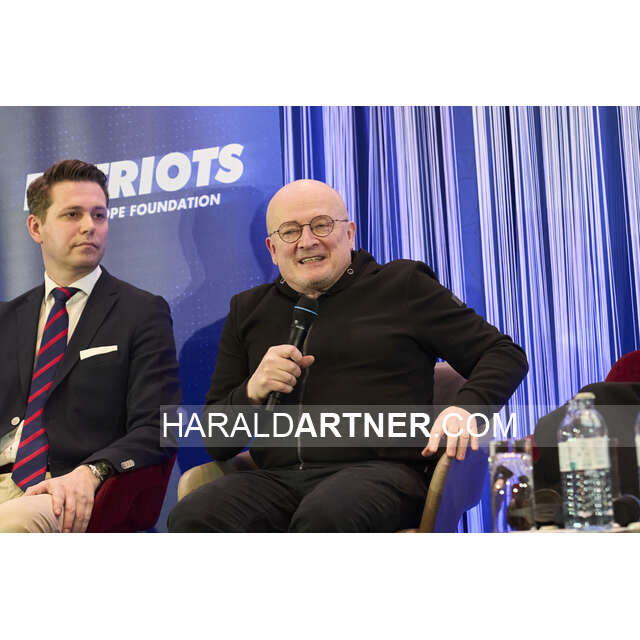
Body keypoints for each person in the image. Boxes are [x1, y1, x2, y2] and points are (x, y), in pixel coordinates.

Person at [168, 179, 528, 532]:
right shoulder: (248, 310)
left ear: (350, 233)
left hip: (382, 475)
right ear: (273, 249)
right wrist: (252, 391)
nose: (308, 241)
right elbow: (217, 442)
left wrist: (466, 408)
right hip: (278, 480)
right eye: (290, 231)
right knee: (194, 515)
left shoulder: (403, 286)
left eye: (321, 225)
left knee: (326, 514)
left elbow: (502, 354)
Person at [0, 159, 181, 533]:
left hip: (66, 487)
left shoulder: (141, 312)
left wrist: (93, 471)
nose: (89, 226)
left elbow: (159, 426)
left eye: (99, 215)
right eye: (73, 214)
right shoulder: (6, 318)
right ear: (36, 227)